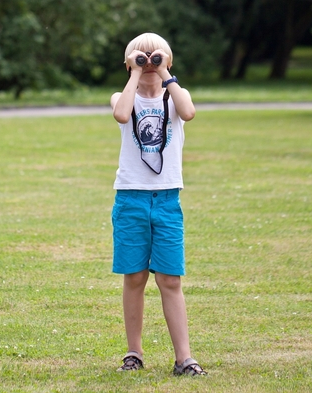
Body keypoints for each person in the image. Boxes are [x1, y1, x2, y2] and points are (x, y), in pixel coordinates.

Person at [109, 33, 207, 376]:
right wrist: (135, 74)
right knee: (134, 277)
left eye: (155, 58)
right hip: (131, 198)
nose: (148, 63)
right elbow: (122, 115)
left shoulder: (176, 96)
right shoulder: (123, 97)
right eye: (140, 58)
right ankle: (133, 353)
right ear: (128, 64)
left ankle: (184, 358)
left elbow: (189, 112)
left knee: (170, 279)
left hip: (167, 199)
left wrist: (166, 74)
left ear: (167, 62)